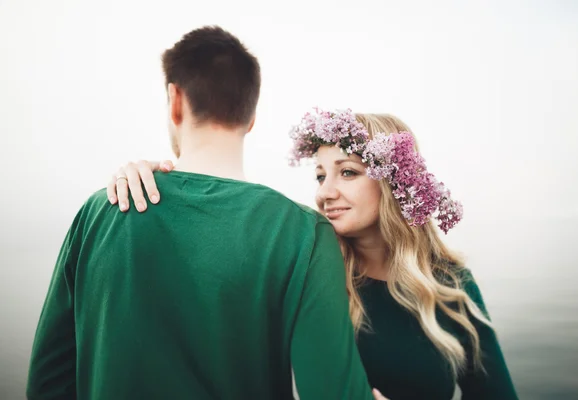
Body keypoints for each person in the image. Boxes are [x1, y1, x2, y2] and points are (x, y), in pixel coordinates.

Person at [27, 28, 384, 400]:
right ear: (250, 118)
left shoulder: (99, 212)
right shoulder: (304, 233)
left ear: (175, 100)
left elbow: (47, 382)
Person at [110, 109, 520, 399]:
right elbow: (213, 245)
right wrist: (160, 186)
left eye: (348, 172)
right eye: (321, 175)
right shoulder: (307, 267)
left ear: (395, 184)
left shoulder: (449, 285)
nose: (325, 192)